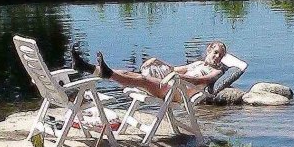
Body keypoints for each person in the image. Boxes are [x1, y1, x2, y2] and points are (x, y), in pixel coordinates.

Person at [70, 41, 227, 100]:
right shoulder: (198, 64)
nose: (217, 57)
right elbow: (174, 69)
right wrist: (159, 61)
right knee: (132, 75)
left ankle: (105, 72)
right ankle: (85, 66)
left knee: (142, 80)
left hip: (178, 91)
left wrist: (177, 77)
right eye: (215, 53)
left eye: (220, 55)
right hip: (172, 84)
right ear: (208, 50)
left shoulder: (217, 72)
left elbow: (201, 81)